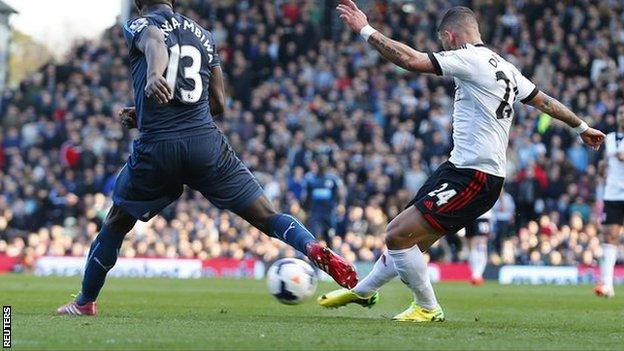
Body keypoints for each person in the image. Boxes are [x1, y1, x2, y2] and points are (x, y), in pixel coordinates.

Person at [56, 0, 357, 316]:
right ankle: (310, 246)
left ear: (138, 3)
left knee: (116, 223)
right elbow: (219, 103)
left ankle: (85, 301)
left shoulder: (140, 24)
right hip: (205, 144)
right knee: (267, 216)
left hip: (159, 148)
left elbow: (155, 42)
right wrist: (146, 112)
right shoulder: (203, 34)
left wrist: (154, 77)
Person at [319, 1, 605, 322]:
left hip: (474, 176)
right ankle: (363, 291)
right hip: (459, 169)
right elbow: (545, 101)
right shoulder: (506, 67)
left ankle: (427, 307)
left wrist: (365, 30)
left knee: (396, 234)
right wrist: (581, 126)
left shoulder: (469, 58)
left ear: (450, 36)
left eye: (443, 43)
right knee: (411, 241)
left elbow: (411, 60)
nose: (444, 48)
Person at [595, 105, 624, 298]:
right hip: (613, 193)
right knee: (609, 235)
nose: (622, 115)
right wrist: (603, 167)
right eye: (620, 112)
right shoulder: (610, 138)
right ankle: (607, 284)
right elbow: (603, 164)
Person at [302, 156, 344, 245]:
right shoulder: (310, 179)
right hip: (315, 213)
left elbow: (339, 193)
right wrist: (306, 210)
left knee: (330, 237)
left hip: (329, 213)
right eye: (320, 162)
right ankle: (314, 257)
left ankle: (330, 256)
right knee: (315, 236)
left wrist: (340, 204)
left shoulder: (332, 179)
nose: (321, 165)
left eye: (323, 162)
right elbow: (306, 197)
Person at [465, 210, 492, 285]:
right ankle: (476, 274)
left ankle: (476, 274)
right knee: (474, 244)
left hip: (478, 214)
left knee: (478, 243)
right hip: (472, 215)